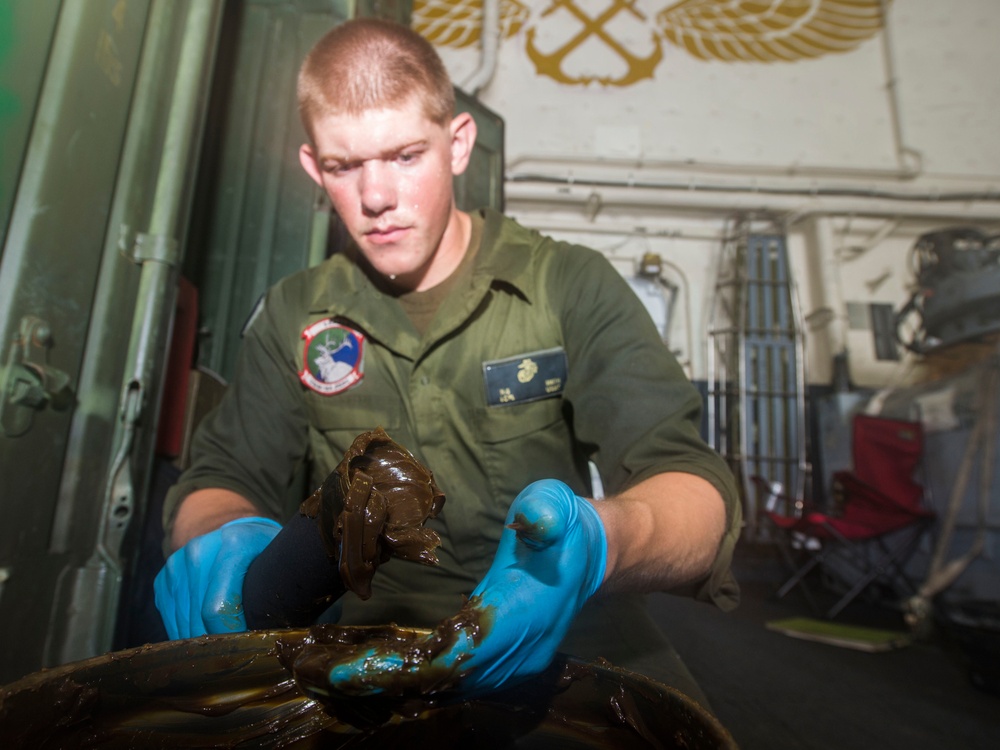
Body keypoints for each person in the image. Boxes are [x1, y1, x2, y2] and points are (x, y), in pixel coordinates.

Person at [154, 17, 741, 704]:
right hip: (371, 659)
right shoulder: (295, 316)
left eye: (405, 155)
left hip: (570, 645)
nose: (376, 198)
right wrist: (218, 535)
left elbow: (695, 493)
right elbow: (222, 476)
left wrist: (599, 541)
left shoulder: (566, 285)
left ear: (458, 144)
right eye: (345, 166)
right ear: (314, 168)